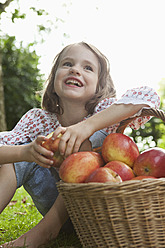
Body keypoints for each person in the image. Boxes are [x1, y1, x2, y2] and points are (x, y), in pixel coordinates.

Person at [0, 42, 160, 248]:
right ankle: (50, 223)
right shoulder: (38, 119)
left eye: (88, 68)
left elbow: (148, 95)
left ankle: (45, 231)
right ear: (54, 78)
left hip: (99, 211)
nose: (75, 69)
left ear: (99, 86)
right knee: (25, 151)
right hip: (55, 202)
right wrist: (26, 152)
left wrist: (88, 126)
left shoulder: (104, 112)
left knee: (97, 140)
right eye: (67, 64)